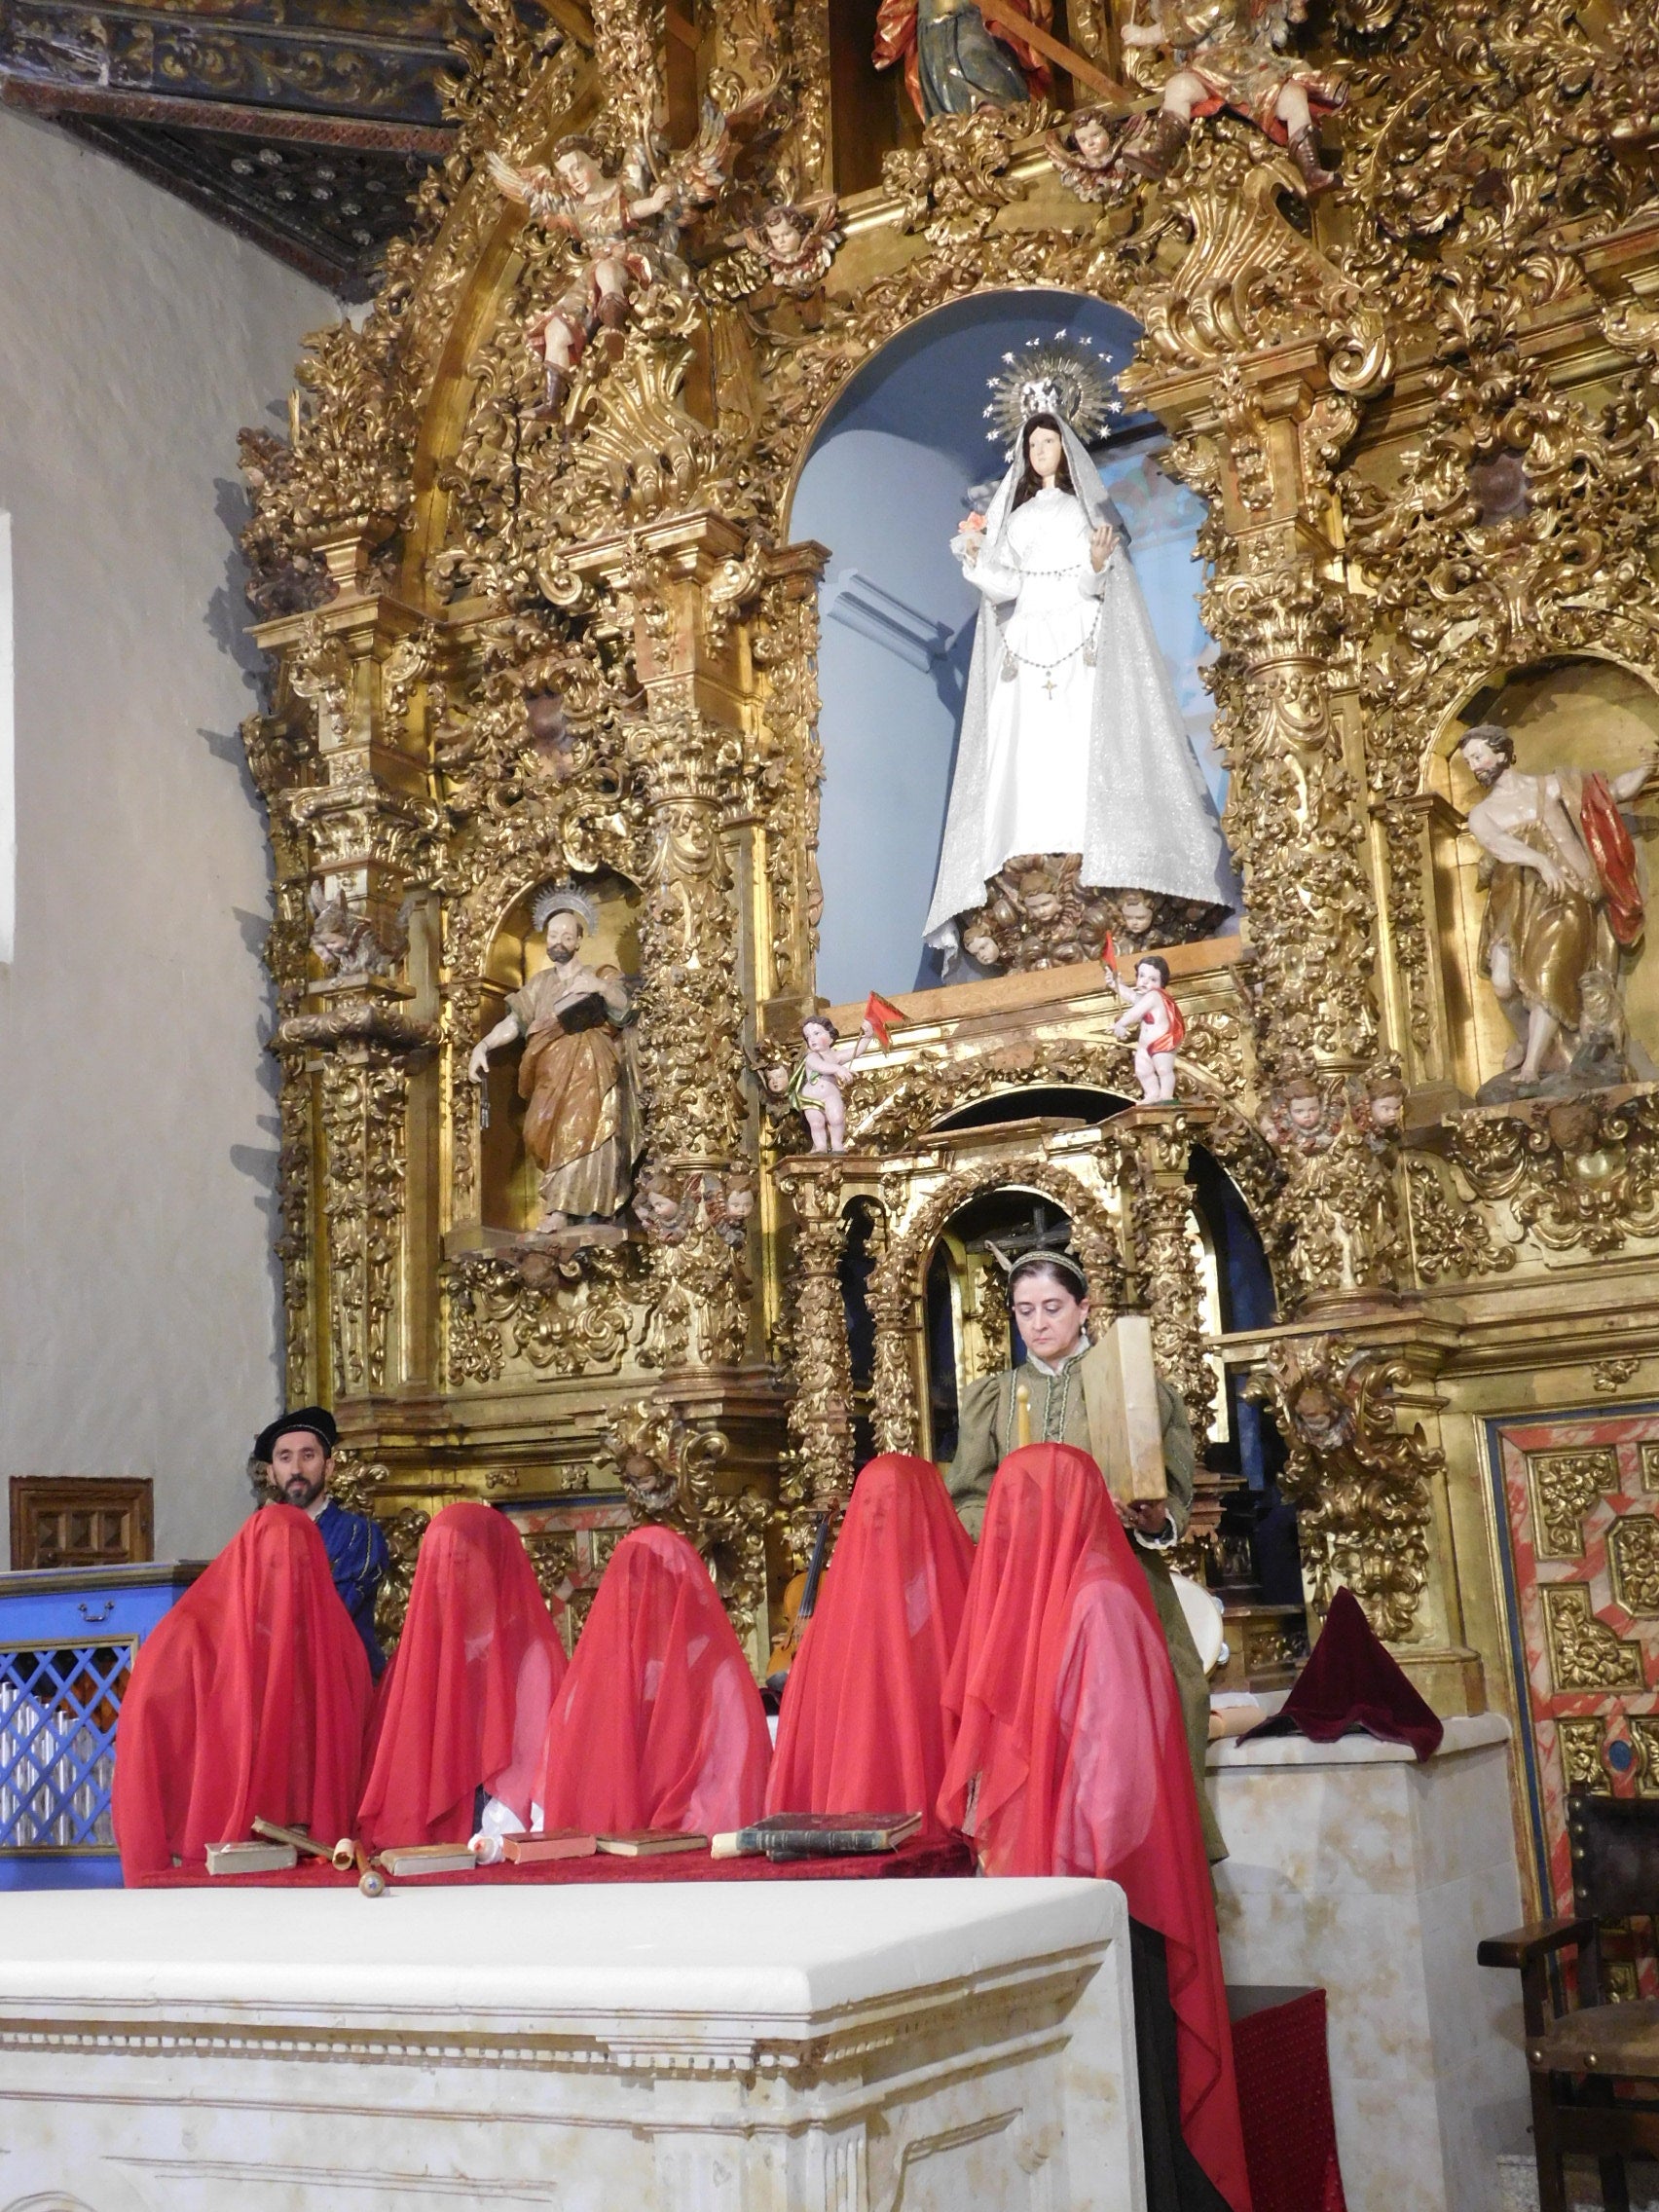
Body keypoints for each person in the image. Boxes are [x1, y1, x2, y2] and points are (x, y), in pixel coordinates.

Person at [939, 1443, 1251, 2212]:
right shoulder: (1047, 1603)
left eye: (1022, 1511)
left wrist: (1061, 1888)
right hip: (1060, 1899)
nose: (1006, 1532)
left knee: (1129, 2111)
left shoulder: (1101, 1600)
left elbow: (1117, 1793)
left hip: (1112, 1905)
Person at [945, 1249, 1226, 1860]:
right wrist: (1005, 1526)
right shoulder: (994, 1397)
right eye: (1024, 1312)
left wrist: (1152, 1516)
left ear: (1083, 1308)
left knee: (1145, 1712)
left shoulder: (1135, 1388)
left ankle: (1147, 1858)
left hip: (1115, 1582)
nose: (1038, 1324)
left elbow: (1171, 1497)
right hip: (1025, 1592)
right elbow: (967, 1495)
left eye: (1052, 1308)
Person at [923, 407, 1228, 958]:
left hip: (1079, 638)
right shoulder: (1013, 521)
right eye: (1032, 445)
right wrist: (973, 559)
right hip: (1023, 645)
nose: (1040, 452)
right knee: (1024, 752)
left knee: (1082, 739)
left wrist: (1094, 561)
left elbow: (1094, 581)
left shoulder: (1077, 510)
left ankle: (1099, 846)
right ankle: (1030, 843)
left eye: (1048, 442)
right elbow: (1005, 584)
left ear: (1064, 449)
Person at [112, 1505, 372, 1879]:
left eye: (300, 1569)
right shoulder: (189, 1638)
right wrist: (146, 1869)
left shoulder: (341, 1649)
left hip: (319, 1864)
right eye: (274, 1567)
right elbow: (144, 1751)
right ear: (248, 1563)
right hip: (210, 1864)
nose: (286, 1585)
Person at [766, 1454, 975, 1839]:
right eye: (869, 1503)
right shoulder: (838, 1604)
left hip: (936, 1792)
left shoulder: (960, 1593)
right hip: (856, 1797)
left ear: (924, 1509)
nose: (878, 1514)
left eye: (891, 1500)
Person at [354, 1502, 568, 1853]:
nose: (444, 1579)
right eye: (435, 1565)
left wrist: (493, 1839)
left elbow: (530, 1768)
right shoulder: (417, 1655)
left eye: (459, 1563)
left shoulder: (532, 1656)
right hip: (422, 1843)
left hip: (491, 1835)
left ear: (493, 1566)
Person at [533, 1526, 771, 1838]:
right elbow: (564, 1773)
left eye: (648, 1578)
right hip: (603, 1852)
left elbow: (731, 1782)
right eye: (626, 1579)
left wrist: (667, 1839)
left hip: (687, 1853)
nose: (635, 1591)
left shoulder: (718, 1674)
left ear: (677, 1586)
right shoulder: (599, 1675)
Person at [1458, 722, 1656, 1090]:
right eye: (1469, 760)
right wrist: (1539, 860)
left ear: (1501, 753)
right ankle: (1528, 1040)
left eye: (1478, 755)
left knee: (1548, 979)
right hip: (1513, 901)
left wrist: (1646, 769)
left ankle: (1532, 1067)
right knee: (1502, 984)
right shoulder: (1481, 814)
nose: (1474, 765)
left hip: (1567, 895)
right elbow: (1499, 845)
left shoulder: (1549, 787)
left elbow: (1609, 796)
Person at [468, 885, 639, 1232]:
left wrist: (600, 989)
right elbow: (514, 1023)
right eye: (552, 934)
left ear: (578, 941)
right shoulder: (540, 984)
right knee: (543, 1129)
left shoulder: (600, 974)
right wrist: (483, 1045)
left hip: (593, 1067)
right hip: (549, 1072)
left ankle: (573, 1208)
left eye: (566, 934)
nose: (558, 940)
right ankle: (561, 1204)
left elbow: (625, 1009)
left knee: (590, 1130)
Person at [254, 1404, 388, 1678]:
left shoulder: (357, 1534)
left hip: (342, 1680)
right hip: (276, 1679)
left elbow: (333, 1610)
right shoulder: (257, 1538)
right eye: (285, 1457)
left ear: (328, 1467)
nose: (296, 1469)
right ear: (270, 1472)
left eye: (308, 1455)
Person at [1113, 951, 1186, 1101]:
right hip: (1145, 1046)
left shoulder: (1155, 996)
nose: (1145, 982)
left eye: (1152, 979)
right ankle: (1152, 1094)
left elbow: (1135, 1013)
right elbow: (1132, 996)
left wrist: (1121, 1023)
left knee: (1164, 1070)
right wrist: (1117, 985)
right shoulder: (1147, 997)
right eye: (1142, 976)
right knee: (1142, 1071)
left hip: (1162, 1043)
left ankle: (1166, 1096)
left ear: (1161, 982)